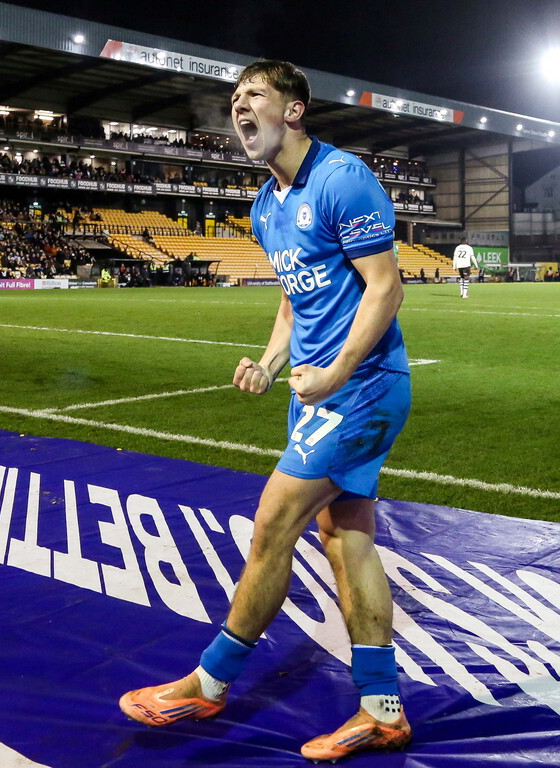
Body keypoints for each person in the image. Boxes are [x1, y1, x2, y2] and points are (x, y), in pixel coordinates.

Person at [118, 60, 412, 762]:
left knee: (271, 527)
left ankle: (208, 683)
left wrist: (336, 371)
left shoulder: (343, 179)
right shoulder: (264, 203)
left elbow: (386, 289)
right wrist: (272, 362)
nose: (239, 107)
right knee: (345, 542)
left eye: (254, 96)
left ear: (295, 111)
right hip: (314, 394)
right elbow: (294, 298)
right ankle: (382, 711)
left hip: (362, 388)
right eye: (234, 100)